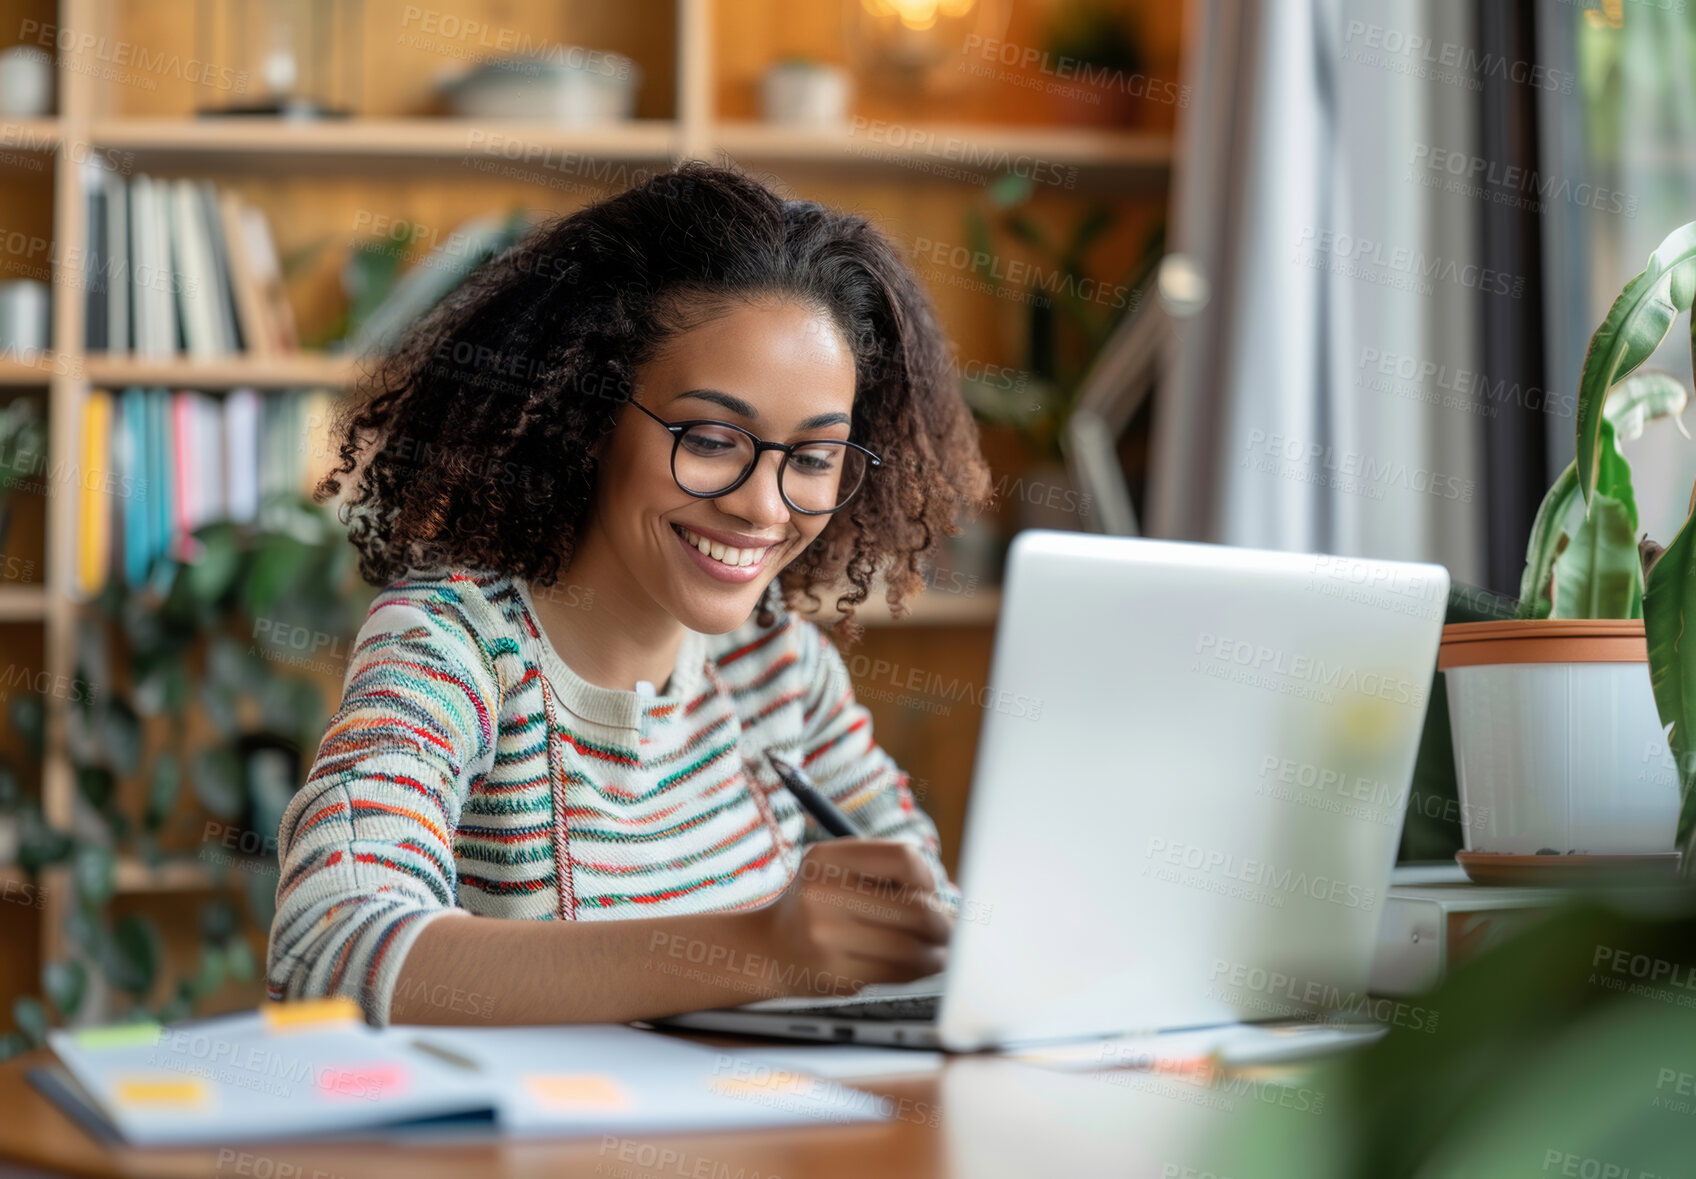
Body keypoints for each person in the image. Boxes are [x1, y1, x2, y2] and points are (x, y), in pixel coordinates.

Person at [264, 161, 996, 1027]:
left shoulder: (781, 668)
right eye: (715, 438)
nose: (763, 506)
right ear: (589, 411)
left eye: (810, 458)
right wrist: (762, 948)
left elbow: (935, 929)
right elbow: (327, 948)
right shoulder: (456, 645)